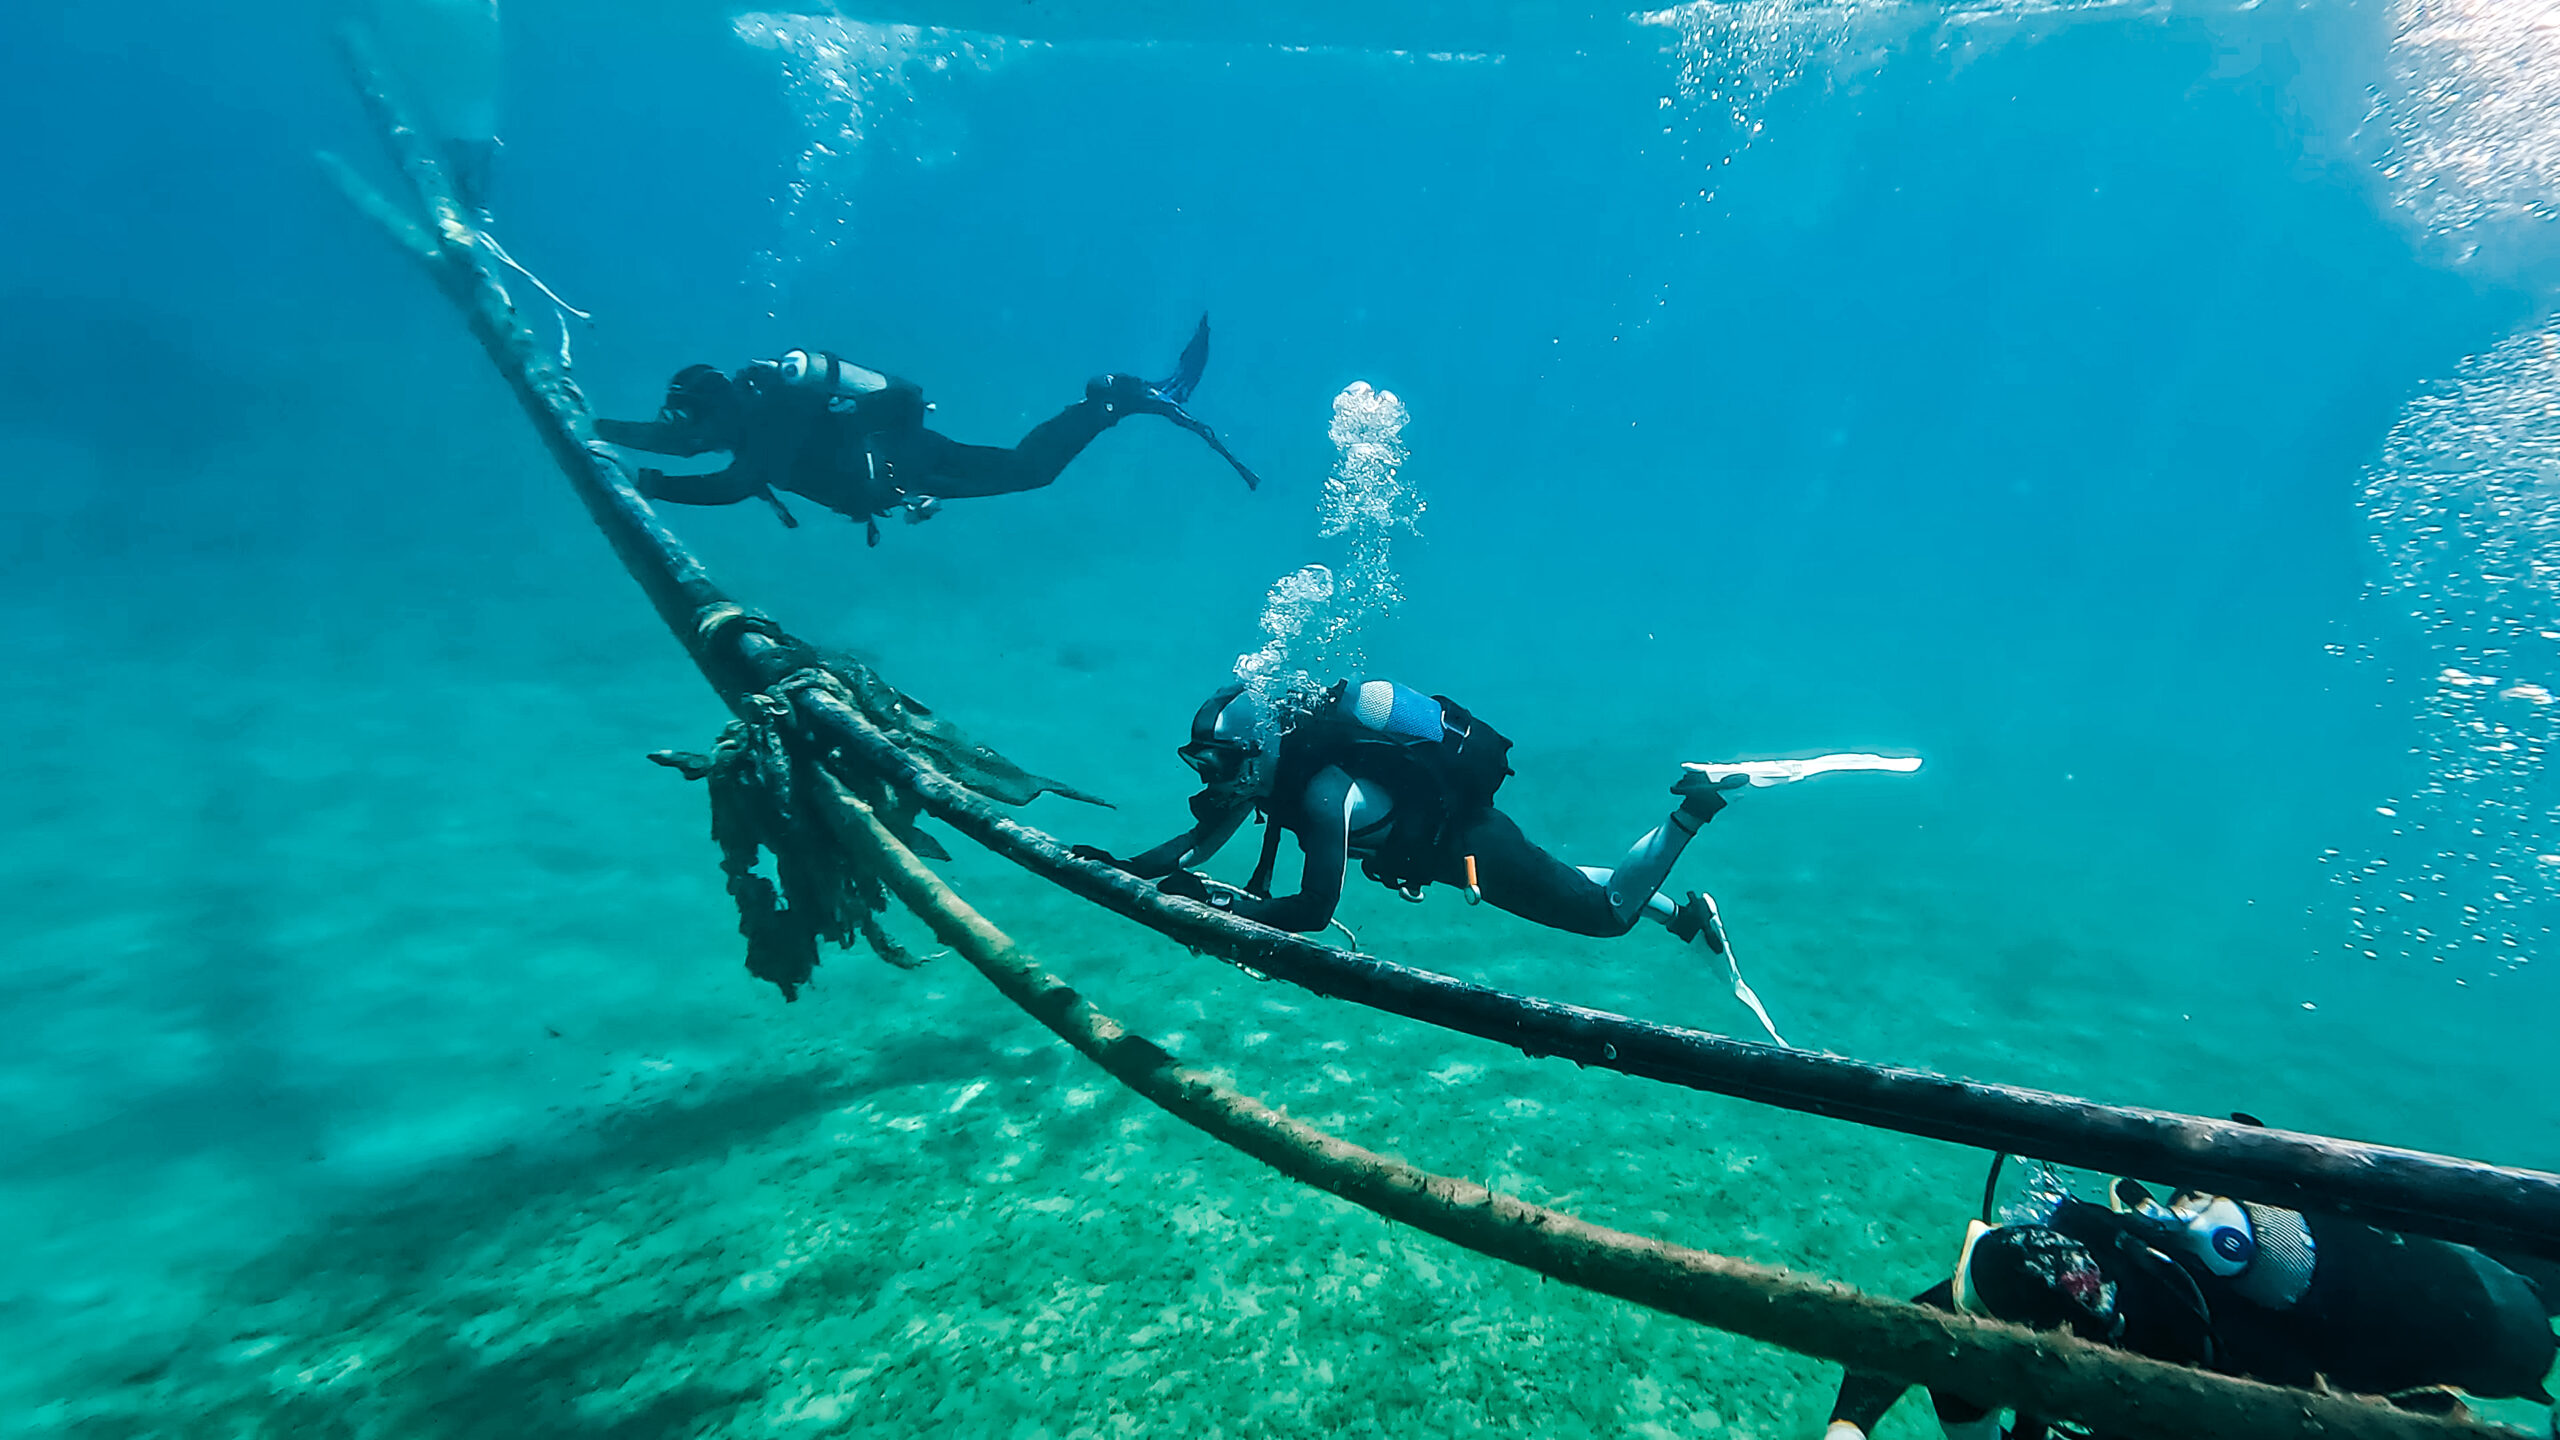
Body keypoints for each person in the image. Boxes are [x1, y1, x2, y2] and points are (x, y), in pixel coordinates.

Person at [1824, 1175, 2560, 1439]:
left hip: (2486, 1332)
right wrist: (1848, 1427)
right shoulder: (2105, 1256)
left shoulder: (2194, 1377)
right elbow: (1926, 1326)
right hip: (2475, 1286)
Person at [1076, 676, 1744, 948]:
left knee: (1604, 918)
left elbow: (1310, 913)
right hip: (1444, 855)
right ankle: (1683, 916)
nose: (1210, 781)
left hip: (1470, 844)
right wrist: (1124, 869)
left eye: (1216, 763)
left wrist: (1216, 910)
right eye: (1201, 765)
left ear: (1252, 753)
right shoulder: (1268, 783)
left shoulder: (1319, 794)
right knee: (1560, 878)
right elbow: (1196, 846)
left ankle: (1695, 806)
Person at [595, 316, 1258, 544]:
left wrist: (647, 484)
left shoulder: (759, 425)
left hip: (909, 463)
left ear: (713, 411)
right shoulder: (741, 416)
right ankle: (1110, 401)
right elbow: (683, 444)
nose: (693, 438)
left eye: (695, 426)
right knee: (1024, 467)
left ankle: (1113, 401)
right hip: (893, 465)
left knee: (1031, 470)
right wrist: (593, 427)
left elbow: (731, 486)